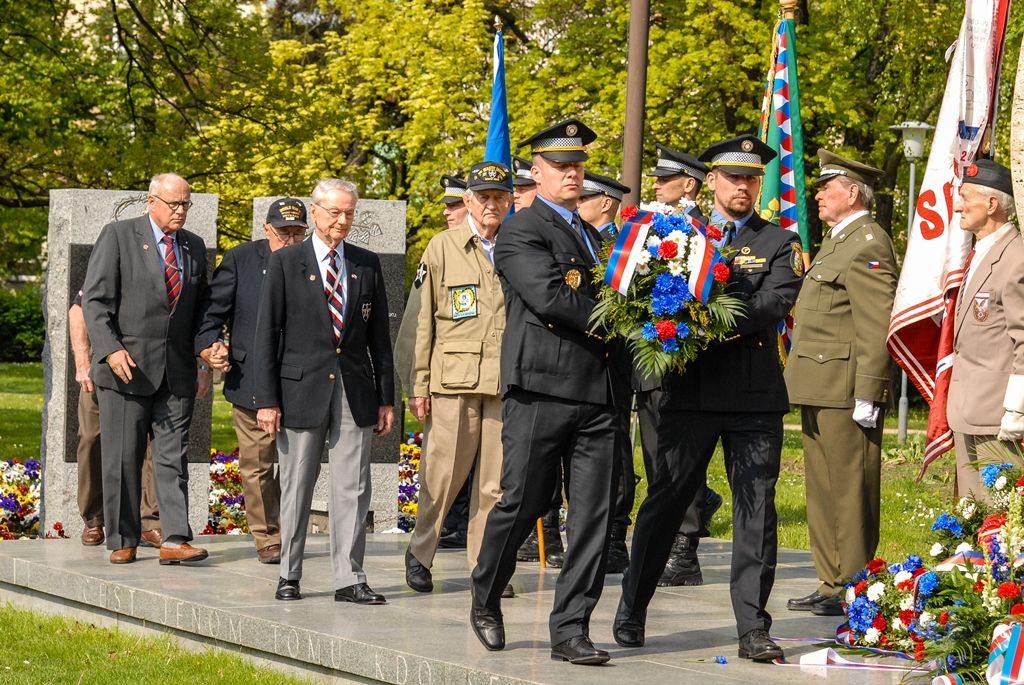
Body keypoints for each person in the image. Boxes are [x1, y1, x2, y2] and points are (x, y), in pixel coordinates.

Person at [614, 134, 802, 663]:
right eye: (732, 177)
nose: (742, 186)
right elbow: (639, 295)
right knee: (666, 503)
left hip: (752, 396)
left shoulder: (778, 242)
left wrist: (704, 310)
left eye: (751, 178)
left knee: (756, 512)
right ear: (711, 181)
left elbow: (775, 302)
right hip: (687, 392)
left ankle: (752, 627)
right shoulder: (673, 232)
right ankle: (632, 606)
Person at [470, 118, 618, 666]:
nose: (572, 174)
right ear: (537, 173)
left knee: (593, 516)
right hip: (540, 388)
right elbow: (551, 298)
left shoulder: (594, 235)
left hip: (598, 392)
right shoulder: (520, 229)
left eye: (578, 165)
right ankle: (485, 597)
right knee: (524, 501)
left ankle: (571, 628)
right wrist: (622, 322)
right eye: (560, 167)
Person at [253, 178, 394, 604]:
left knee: (353, 485)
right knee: (297, 483)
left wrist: (386, 396)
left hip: (354, 390)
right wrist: (267, 400)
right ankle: (289, 573)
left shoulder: (367, 264)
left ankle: (349, 578)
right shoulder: (286, 262)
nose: (342, 220)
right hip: (299, 389)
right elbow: (267, 334)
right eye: (334, 212)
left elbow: (379, 338)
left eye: (349, 212)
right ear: (314, 212)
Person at [784, 151, 897, 617]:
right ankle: (831, 579)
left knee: (850, 487)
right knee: (824, 486)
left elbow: (876, 324)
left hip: (847, 387)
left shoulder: (868, 241)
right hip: (819, 381)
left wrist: (870, 390)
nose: (817, 194)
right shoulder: (838, 240)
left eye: (827, 187)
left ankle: (853, 581)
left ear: (851, 192)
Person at [81, 172, 212, 565]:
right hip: (127, 370)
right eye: (174, 203)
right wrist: (110, 350)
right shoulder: (119, 236)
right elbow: (96, 302)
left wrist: (204, 356)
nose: (180, 211)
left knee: (173, 458)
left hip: (176, 373)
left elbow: (202, 310)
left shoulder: (193, 246)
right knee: (124, 456)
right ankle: (122, 537)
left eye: (186, 204)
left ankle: (174, 538)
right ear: (151, 201)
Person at [404, 162, 514, 593]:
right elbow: (423, 322)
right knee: (442, 476)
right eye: (483, 197)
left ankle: (483, 568)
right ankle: (420, 554)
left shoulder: (518, 246)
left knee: (494, 484)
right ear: (468, 200)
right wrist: (419, 383)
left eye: (499, 197)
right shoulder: (443, 246)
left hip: (504, 382)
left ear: (509, 201)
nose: (491, 204)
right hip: (453, 381)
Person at [195, 198, 311, 564]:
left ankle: (292, 530)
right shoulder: (241, 259)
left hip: (303, 379)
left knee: (298, 463)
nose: (290, 240)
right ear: (266, 230)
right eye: (283, 233)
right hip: (252, 380)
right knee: (258, 464)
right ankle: (267, 536)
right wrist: (208, 346)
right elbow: (212, 313)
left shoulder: (317, 262)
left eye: (297, 232)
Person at [641, 143, 724, 588]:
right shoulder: (649, 229)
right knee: (657, 457)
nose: (656, 185)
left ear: (688, 185)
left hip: (684, 363)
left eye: (664, 179)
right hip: (651, 362)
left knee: (680, 459)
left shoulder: (702, 234)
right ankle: (678, 528)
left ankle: (686, 547)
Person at [947, 159, 1024, 501]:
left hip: (999, 416)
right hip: (968, 410)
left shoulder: (1016, 257)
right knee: (975, 520)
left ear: (992, 204)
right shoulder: (981, 252)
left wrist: (1017, 409)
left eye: (965, 196)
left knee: (1004, 528)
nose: (958, 204)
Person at [69, 295, 160, 548]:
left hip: (151, 366)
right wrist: (82, 361)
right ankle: (94, 518)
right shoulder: (113, 255)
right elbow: (78, 310)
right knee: (91, 437)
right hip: (103, 368)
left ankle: (150, 521)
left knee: (155, 443)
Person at [577, 171, 634, 574]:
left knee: (615, 449)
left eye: (585, 198)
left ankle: (614, 533)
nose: (577, 205)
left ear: (606, 203)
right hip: (581, 362)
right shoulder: (576, 238)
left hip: (617, 361)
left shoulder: (623, 246)